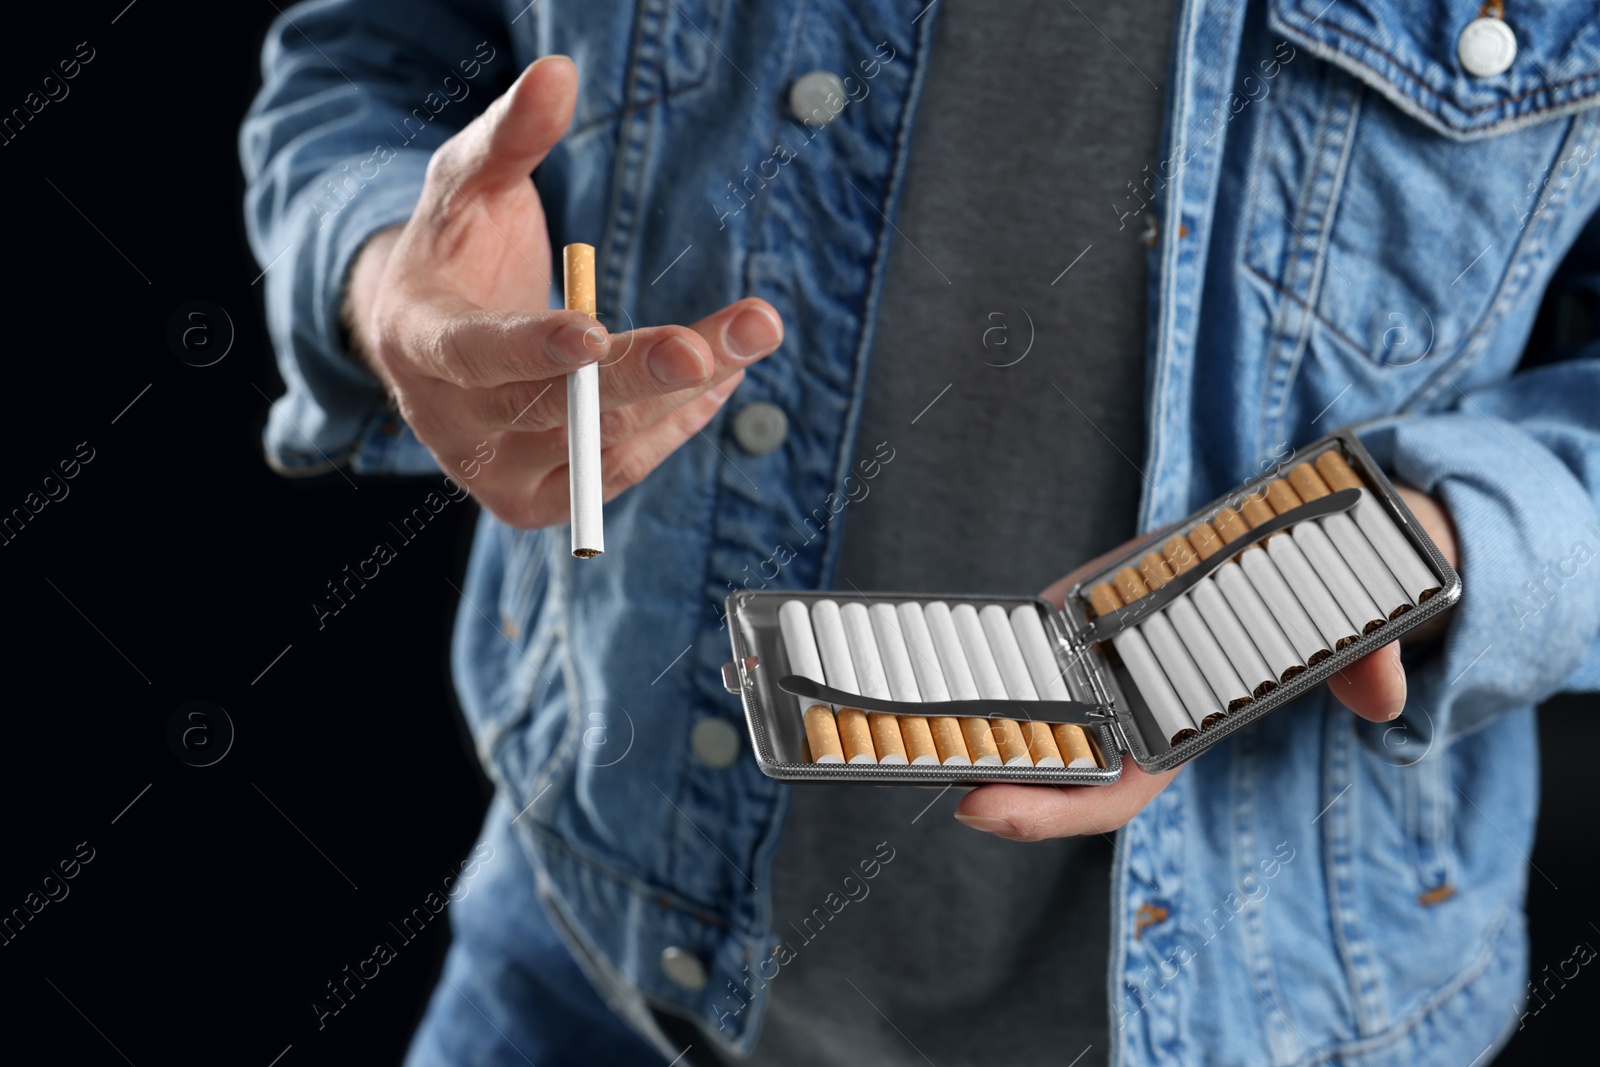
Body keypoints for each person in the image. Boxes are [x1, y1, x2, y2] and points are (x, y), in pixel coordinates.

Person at [241, 1, 1600, 1063]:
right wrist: (387, 277)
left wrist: (1416, 544)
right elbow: (373, 53)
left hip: (1272, 1013)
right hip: (579, 941)